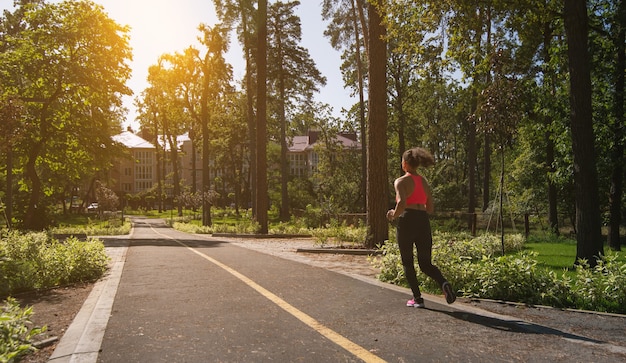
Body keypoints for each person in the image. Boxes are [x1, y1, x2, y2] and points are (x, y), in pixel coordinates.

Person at [386, 147, 456, 307]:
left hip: (407, 220)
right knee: (425, 263)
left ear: (404, 164)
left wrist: (392, 214)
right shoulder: (424, 181)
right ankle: (443, 283)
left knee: (407, 262)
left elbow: (402, 203)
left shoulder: (401, 181)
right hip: (423, 220)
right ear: (417, 164)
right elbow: (430, 207)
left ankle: (417, 299)